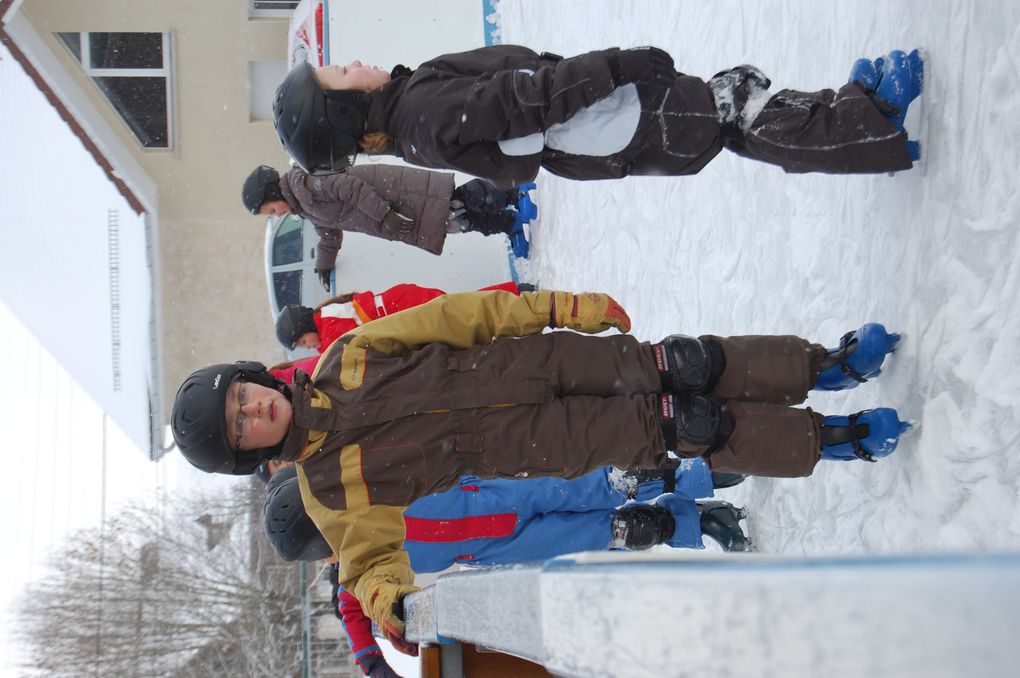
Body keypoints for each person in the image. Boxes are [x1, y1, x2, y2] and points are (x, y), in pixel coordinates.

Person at [171, 289, 910, 643]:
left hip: (542, 359)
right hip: (541, 442)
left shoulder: (347, 357)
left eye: (244, 396)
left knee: (688, 362)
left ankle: (823, 365)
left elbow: (455, 321)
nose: (253, 411)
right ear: (248, 454)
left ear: (254, 378)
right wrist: (390, 604)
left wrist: (555, 306)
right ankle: (834, 437)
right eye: (241, 426)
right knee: (687, 427)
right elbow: (368, 567)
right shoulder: (329, 494)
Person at [262, 463, 748, 675]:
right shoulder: (359, 572)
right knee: (606, 534)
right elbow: (358, 613)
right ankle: (697, 521)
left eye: (325, 545)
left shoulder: (370, 480)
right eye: (324, 555)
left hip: (496, 489)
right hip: (495, 547)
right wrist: (373, 659)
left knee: (598, 484)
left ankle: (694, 472)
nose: (332, 556)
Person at [271, 46, 923, 185]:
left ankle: (847, 115)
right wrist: (615, 64)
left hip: (611, 123)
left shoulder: (411, 111)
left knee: (730, 110)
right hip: (615, 118)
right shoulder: (422, 111)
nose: (354, 62)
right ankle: (872, 125)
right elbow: (526, 97)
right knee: (735, 116)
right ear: (347, 104)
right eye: (341, 73)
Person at [242, 164, 534, 289]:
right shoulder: (303, 207)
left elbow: (351, 188)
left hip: (395, 195)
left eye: (270, 210)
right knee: (453, 223)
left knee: (455, 203)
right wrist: (324, 264)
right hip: (391, 212)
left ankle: (513, 192)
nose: (276, 215)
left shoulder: (304, 184)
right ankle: (508, 224)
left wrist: (385, 214)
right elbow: (329, 232)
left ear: (273, 195)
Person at [274, 281, 527, 351]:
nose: (308, 347)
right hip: (403, 306)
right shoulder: (326, 318)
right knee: (467, 309)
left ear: (304, 326)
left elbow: (344, 347)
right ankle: (515, 297)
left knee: (468, 313)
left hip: (407, 309)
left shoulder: (328, 326)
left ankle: (517, 298)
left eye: (302, 342)